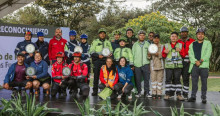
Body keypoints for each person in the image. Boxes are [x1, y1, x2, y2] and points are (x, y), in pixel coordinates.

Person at [188, 28, 212, 104]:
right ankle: (193, 96)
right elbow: (190, 54)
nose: (200, 35)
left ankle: (203, 97)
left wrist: (201, 61)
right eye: (199, 34)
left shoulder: (208, 43)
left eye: (202, 34)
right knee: (194, 82)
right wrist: (195, 61)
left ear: (204, 35)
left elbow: (208, 54)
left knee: (204, 82)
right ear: (196, 35)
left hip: (204, 66)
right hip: (194, 65)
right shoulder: (192, 44)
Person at [89, 28, 113, 96]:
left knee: (107, 76)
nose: (102, 34)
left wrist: (110, 54)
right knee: (96, 76)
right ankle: (95, 91)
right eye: (101, 33)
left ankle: (106, 90)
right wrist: (98, 55)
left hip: (106, 61)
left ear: (105, 34)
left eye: (103, 33)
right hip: (97, 60)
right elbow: (91, 51)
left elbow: (111, 50)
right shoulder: (95, 41)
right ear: (99, 34)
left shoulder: (108, 42)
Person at [162, 32, 185, 101]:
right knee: (168, 80)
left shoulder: (180, 45)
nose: (174, 38)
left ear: (177, 38)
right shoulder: (166, 45)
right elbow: (163, 56)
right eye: (172, 36)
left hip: (178, 66)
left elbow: (184, 55)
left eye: (175, 36)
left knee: (177, 80)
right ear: (170, 37)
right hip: (169, 66)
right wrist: (164, 52)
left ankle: (179, 94)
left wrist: (180, 51)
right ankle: (167, 94)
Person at [132, 30, 151, 98]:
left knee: (146, 79)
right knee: (138, 79)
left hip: (146, 63)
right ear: (138, 36)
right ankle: (139, 92)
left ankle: (147, 92)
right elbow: (132, 54)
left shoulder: (147, 44)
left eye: (143, 35)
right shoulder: (135, 44)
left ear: (145, 36)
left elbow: (150, 55)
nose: (142, 36)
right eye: (140, 35)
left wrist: (149, 57)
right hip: (137, 64)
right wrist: (133, 64)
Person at [177, 27, 195, 99]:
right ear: (180, 33)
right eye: (182, 32)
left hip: (187, 63)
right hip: (179, 62)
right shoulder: (178, 42)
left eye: (185, 32)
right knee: (177, 78)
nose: (184, 33)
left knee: (186, 78)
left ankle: (185, 94)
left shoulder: (192, 41)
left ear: (187, 33)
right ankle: (178, 94)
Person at [147, 34, 164, 99]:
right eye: (155, 38)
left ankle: (159, 92)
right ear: (153, 39)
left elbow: (164, 55)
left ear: (159, 39)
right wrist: (148, 55)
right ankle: (154, 92)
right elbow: (148, 57)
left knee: (160, 80)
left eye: (157, 38)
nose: (156, 40)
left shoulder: (162, 46)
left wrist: (158, 54)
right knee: (153, 79)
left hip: (161, 65)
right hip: (153, 65)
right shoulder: (151, 47)